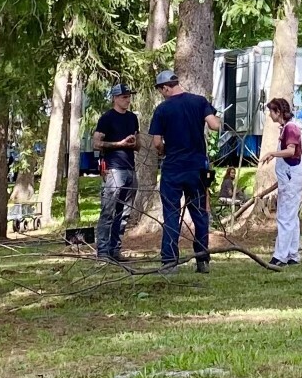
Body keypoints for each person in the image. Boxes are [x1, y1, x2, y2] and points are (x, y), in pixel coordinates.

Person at [149, 69, 221, 273]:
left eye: (161, 90)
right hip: (197, 168)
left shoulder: (162, 110)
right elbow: (214, 125)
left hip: (173, 169)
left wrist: (164, 150)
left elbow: (156, 143)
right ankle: (202, 260)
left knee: (171, 214)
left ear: (165, 88)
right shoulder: (199, 102)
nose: (161, 94)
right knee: (200, 215)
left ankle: (170, 262)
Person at [93, 82, 140, 262]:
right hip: (113, 169)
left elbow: (138, 144)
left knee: (124, 213)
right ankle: (103, 252)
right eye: (123, 97)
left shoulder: (132, 118)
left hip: (130, 168)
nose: (127, 100)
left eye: (128, 97)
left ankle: (115, 249)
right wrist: (119, 144)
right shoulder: (107, 118)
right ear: (114, 98)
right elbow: (96, 143)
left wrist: (134, 142)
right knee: (108, 211)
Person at [259, 97, 302, 267]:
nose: (269, 114)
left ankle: (280, 256)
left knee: (285, 217)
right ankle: (293, 254)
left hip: (291, 179)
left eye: (271, 111)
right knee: (292, 217)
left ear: (278, 112)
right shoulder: (287, 128)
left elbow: (291, 151)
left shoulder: (291, 128)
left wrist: (272, 153)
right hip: (290, 178)